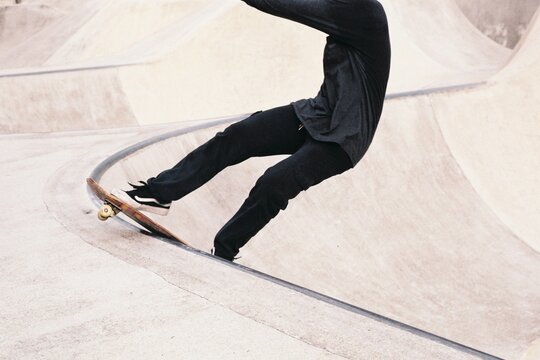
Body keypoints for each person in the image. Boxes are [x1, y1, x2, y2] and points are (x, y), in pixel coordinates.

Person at [116, 0, 391, 261]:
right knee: (238, 136)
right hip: (316, 114)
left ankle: (225, 250)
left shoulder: (361, 11)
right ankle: (159, 194)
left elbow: (284, 5)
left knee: (275, 182)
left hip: (343, 140)